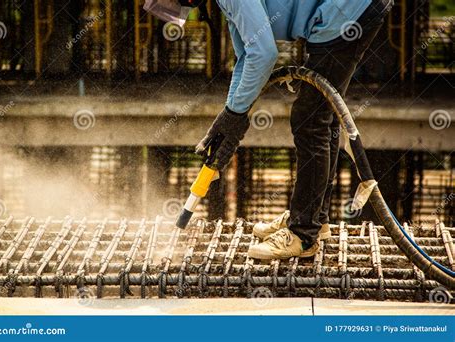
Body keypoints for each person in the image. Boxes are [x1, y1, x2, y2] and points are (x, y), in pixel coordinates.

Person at [145, 0, 393, 259]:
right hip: (353, 9)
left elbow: (264, 55)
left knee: (310, 120)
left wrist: (235, 115)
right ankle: (314, 220)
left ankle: (303, 234)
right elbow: (246, 58)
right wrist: (230, 118)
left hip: (348, 11)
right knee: (321, 116)